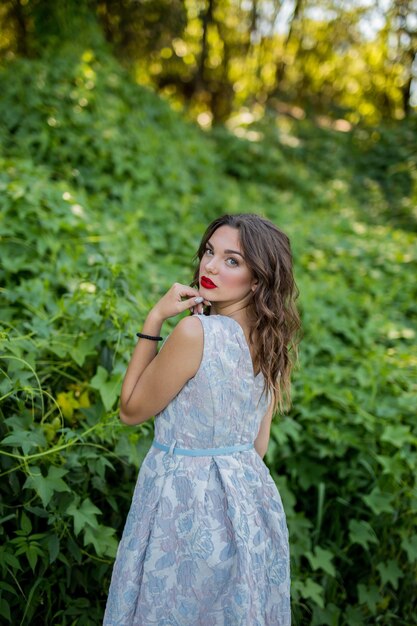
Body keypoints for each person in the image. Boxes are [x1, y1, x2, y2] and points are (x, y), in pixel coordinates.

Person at [103, 213, 301, 626]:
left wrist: (154, 320)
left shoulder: (196, 333)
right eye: (210, 252)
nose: (209, 266)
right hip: (250, 510)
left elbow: (129, 410)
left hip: (185, 504)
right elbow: (257, 448)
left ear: (258, 279)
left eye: (232, 260)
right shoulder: (270, 343)